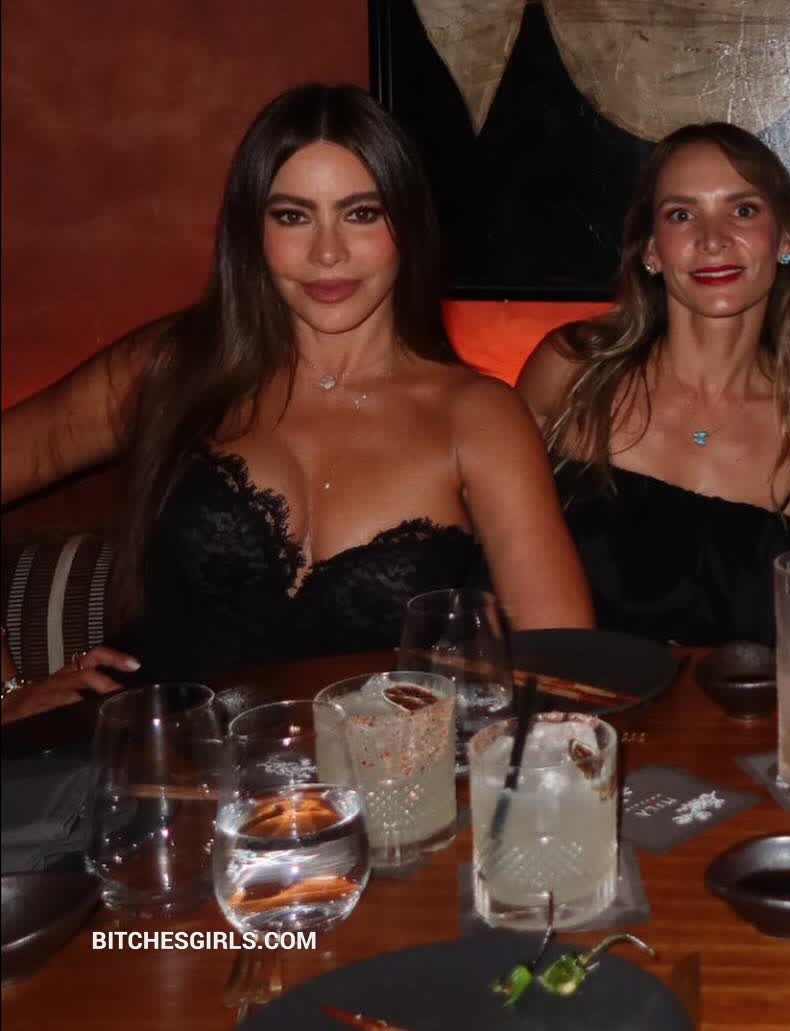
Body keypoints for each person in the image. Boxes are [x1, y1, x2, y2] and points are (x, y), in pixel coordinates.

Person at [1, 85, 591, 721]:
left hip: (372, 772)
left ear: (408, 225)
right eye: (292, 216)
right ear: (251, 231)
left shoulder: (477, 417)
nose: (327, 252)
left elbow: (564, 670)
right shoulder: (171, 367)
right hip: (151, 762)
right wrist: (6, 693)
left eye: (361, 213)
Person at [517, 123, 790, 644]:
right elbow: (487, 559)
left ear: (785, 240)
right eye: (681, 214)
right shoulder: (572, 372)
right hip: (564, 691)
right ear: (652, 250)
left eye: (743, 210)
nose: (713, 239)